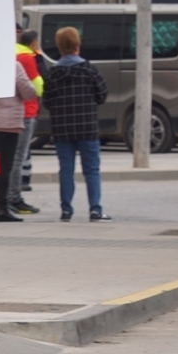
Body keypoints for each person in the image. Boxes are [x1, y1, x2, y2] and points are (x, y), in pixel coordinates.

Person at [41, 26, 109, 221]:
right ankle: (95, 209)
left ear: (59, 47)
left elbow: (47, 101)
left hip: (62, 129)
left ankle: (66, 210)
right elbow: (102, 94)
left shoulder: (53, 73)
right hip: (87, 126)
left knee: (66, 170)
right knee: (92, 170)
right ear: (77, 45)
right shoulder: (89, 69)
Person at [0, 55, 37, 222]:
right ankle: (2, 207)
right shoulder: (13, 66)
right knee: (6, 167)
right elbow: (28, 93)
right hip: (8, 122)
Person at [6, 25, 46, 215]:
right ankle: (14, 197)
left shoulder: (10, 54)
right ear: (33, 42)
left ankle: (8, 196)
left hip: (10, 110)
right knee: (18, 157)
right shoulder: (27, 58)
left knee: (10, 156)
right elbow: (38, 86)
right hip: (27, 111)